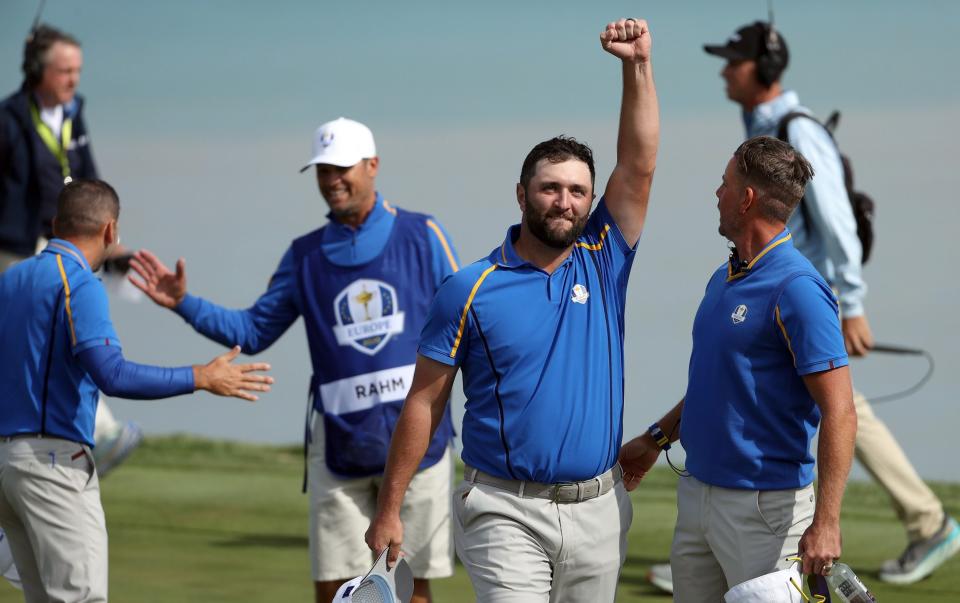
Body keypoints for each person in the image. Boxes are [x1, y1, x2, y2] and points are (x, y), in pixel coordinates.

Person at [365, 17, 658, 603]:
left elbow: (639, 164)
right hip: (503, 507)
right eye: (550, 188)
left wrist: (637, 66)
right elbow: (424, 402)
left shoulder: (604, 258)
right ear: (522, 194)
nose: (565, 202)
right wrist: (389, 509)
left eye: (578, 191)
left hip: (598, 508)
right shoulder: (470, 286)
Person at [128, 117, 460, 603]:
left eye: (342, 168)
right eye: (323, 170)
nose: (332, 180)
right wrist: (184, 302)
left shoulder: (421, 234)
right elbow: (253, 331)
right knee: (334, 591)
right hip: (339, 447)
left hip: (418, 448)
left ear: (373, 166)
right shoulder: (304, 255)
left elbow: (465, 321)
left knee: (412, 589)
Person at [702, 20, 958, 585]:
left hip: (807, 298)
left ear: (762, 69)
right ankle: (925, 520)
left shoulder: (795, 127)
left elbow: (838, 221)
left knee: (842, 406)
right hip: (788, 299)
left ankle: (928, 521)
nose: (724, 69)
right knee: (839, 403)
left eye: (733, 61)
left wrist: (851, 303)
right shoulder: (765, 124)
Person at [0, 179, 273, 603]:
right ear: (111, 232)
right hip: (51, 464)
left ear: (56, 224)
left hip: (6, 466)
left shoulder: (11, 279)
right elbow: (113, 375)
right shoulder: (80, 283)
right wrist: (200, 376)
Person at [620, 136, 857, 601]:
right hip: (697, 498)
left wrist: (826, 522)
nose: (717, 194)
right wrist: (654, 441)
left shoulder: (799, 289)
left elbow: (841, 411)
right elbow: (717, 390)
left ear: (747, 198)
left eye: (724, 184)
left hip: (764, 512)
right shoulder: (723, 278)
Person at [0, 23, 144, 479]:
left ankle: (93, 432)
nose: (73, 80)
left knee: (71, 336)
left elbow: (87, 179)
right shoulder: (7, 120)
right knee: (31, 347)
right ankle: (94, 434)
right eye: (64, 71)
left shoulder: (74, 112)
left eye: (77, 71)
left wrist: (111, 242)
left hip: (64, 244)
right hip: (16, 251)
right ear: (36, 70)